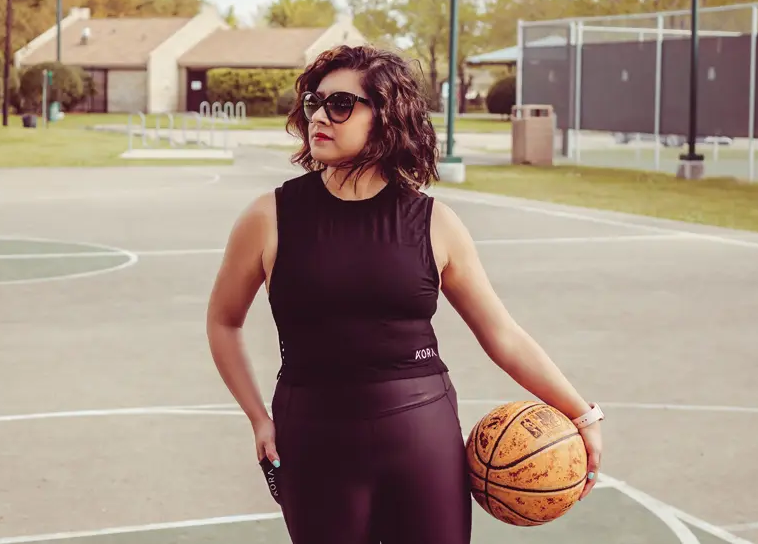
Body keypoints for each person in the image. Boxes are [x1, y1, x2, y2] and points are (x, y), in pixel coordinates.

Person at [205, 44, 603, 544]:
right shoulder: (269, 217)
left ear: (386, 116)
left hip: (420, 432)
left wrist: (582, 413)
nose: (320, 116)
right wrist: (258, 418)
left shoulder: (435, 222)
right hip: (312, 434)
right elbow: (223, 321)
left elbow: (502, 333)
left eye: (341, 104)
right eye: (313, 102)